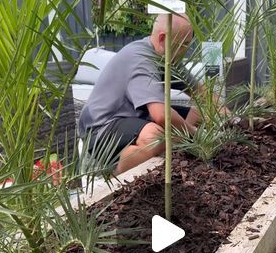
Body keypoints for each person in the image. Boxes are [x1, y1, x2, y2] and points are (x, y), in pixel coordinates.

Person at [78, 14, 202, 175]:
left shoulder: (165, 57)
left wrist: (233, 120)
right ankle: (116, 178)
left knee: (199, 113)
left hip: (136, 117)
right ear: (163, 38)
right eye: (184, 44)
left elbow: (202, 94)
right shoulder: (141, 59)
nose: (187, 50)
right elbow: (161, 116)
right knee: (155, 135)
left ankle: (181, 151)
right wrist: (195, 134)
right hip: (102, 127)